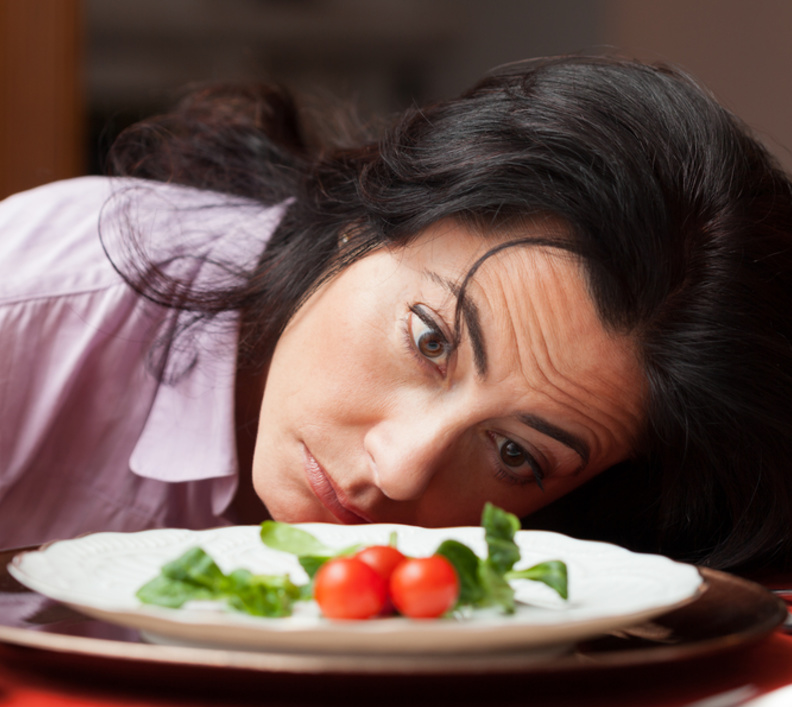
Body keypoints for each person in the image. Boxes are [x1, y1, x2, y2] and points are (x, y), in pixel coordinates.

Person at [1, 54, 791, 572]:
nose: (402, 468)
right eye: (431, 339)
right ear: (366, 214)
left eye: (516, 455)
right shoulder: (34, 304)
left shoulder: (557, 566)